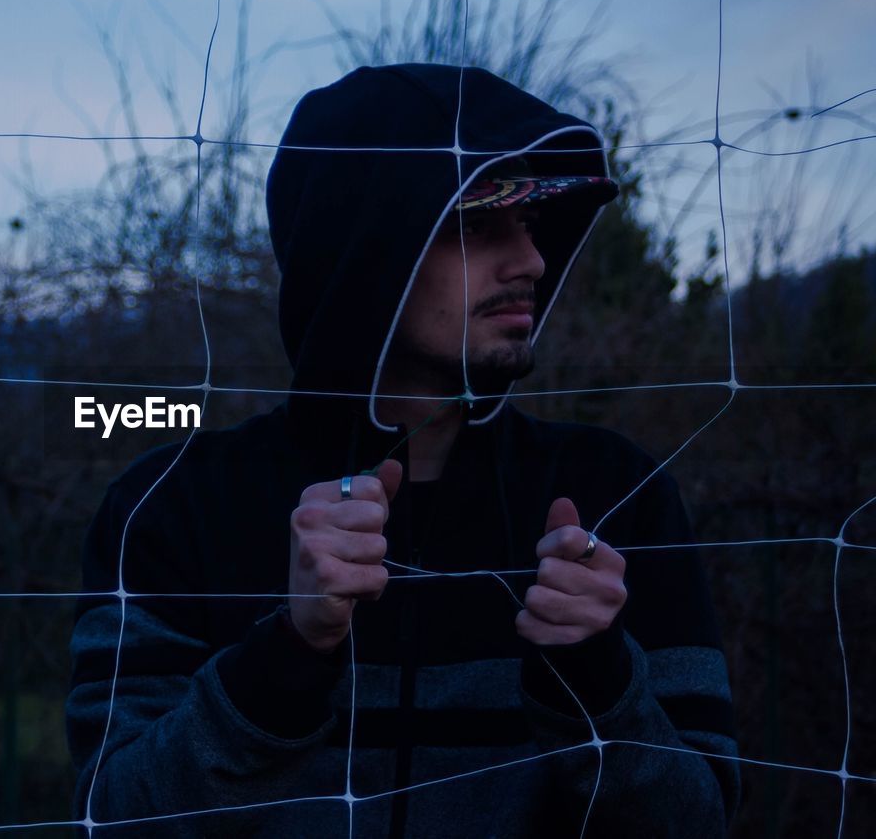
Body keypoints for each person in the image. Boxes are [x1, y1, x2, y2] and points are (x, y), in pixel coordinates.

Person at [65, 64, 740, 838]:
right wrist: (287, 655)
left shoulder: (614, 492)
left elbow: (701, 820)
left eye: (532, 222)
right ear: (368, 248)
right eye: (479, 222)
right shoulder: (172, 506)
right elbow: (109, 820)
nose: (531, 261)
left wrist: (595, 672)